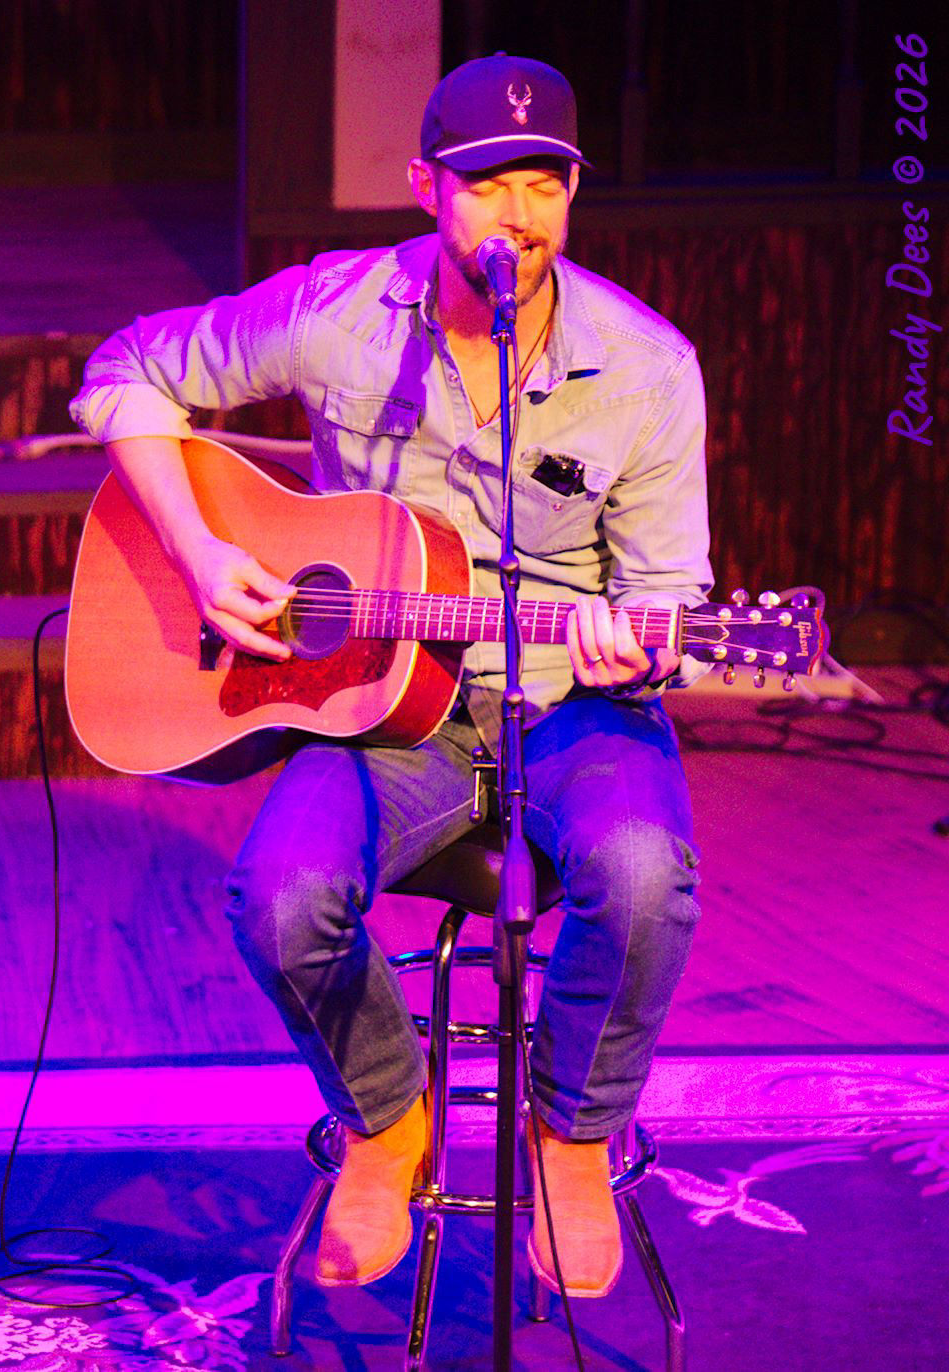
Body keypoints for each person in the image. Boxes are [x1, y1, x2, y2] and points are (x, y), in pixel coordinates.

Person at [70, 53, 710, 1298]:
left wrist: (646, 637)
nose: (518, 216)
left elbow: (670, 595)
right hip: (384, 708)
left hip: (575, 707)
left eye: (545, 185)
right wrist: (203, 558)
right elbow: (124, 375)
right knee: (278, 896)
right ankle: (387, 1116)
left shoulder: (646, 368)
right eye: (486, 185)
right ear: (426, 188)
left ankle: (571, 1131)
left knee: (641, 878)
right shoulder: (339, 312)